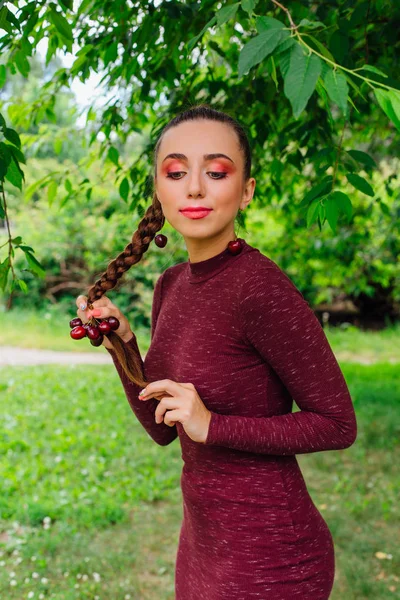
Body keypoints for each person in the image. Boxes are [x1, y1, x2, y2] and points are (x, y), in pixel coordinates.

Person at [75, 104, 357, 599]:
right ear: (159, 191)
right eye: (177, 171)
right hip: (203, 546)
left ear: (246, 191)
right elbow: (163, 430)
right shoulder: (171, 284)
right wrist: (124, 344)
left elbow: (337, 424)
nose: (195, 188)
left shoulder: (259, 287)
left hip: (272, 557)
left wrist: (214, 426)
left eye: (217, 171)